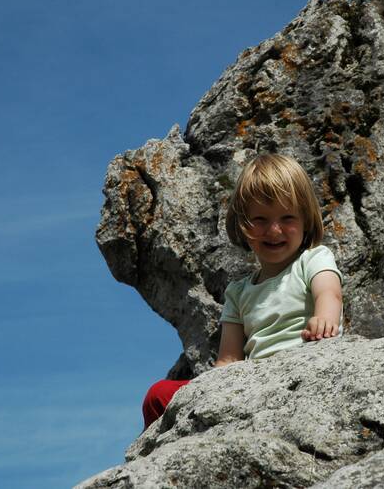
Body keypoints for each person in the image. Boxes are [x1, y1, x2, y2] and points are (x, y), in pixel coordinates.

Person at [142, 153, 343, 430]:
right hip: (251, 383)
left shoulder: (314, 259)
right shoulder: (238, 292)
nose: (274, 230)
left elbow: (329, 293)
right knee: (158, 395)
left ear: (307, 220)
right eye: (260, 219)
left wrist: (325, 320)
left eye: (287, 217)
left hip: (302, 369)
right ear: (242, 225)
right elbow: (228, 360)